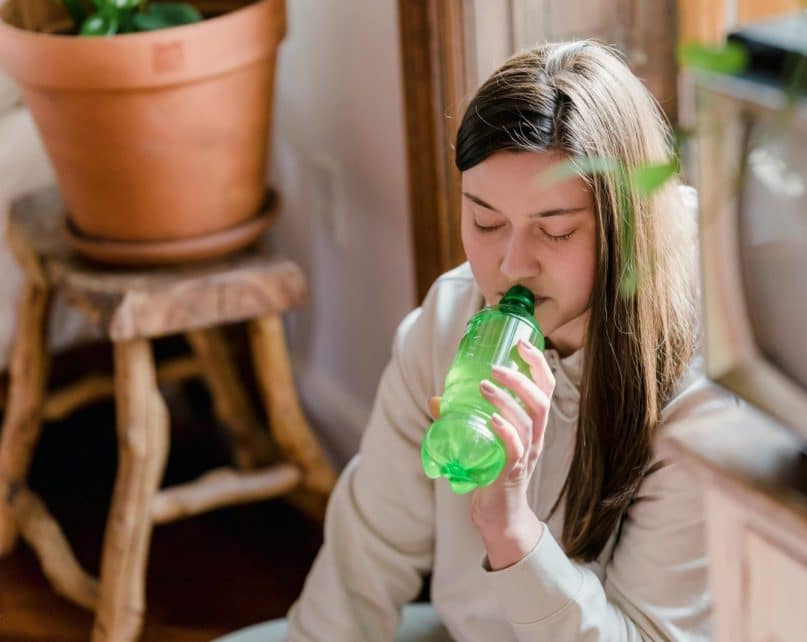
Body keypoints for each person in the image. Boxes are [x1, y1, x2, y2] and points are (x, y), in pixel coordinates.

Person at [220, 39, 735, 642]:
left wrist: (512, 528)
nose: (511, 266)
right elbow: (367, 555)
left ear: (627, 226)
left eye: (557, 231)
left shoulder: (701, 396)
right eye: (485, 221)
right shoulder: (449, 323)